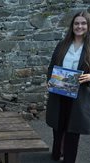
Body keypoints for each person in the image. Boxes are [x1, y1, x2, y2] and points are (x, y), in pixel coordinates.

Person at [46, 11, 90, 163]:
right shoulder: (62, 45)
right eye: (76, 23)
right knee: (58, 127)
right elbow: (52, 66)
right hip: (59, 92)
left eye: (83, 23)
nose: (79, 26)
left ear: (88, 26)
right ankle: (56, 153)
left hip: (79, 96)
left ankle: (69, 159)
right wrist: (49, 80)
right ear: (72, 26)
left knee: (73, 131)